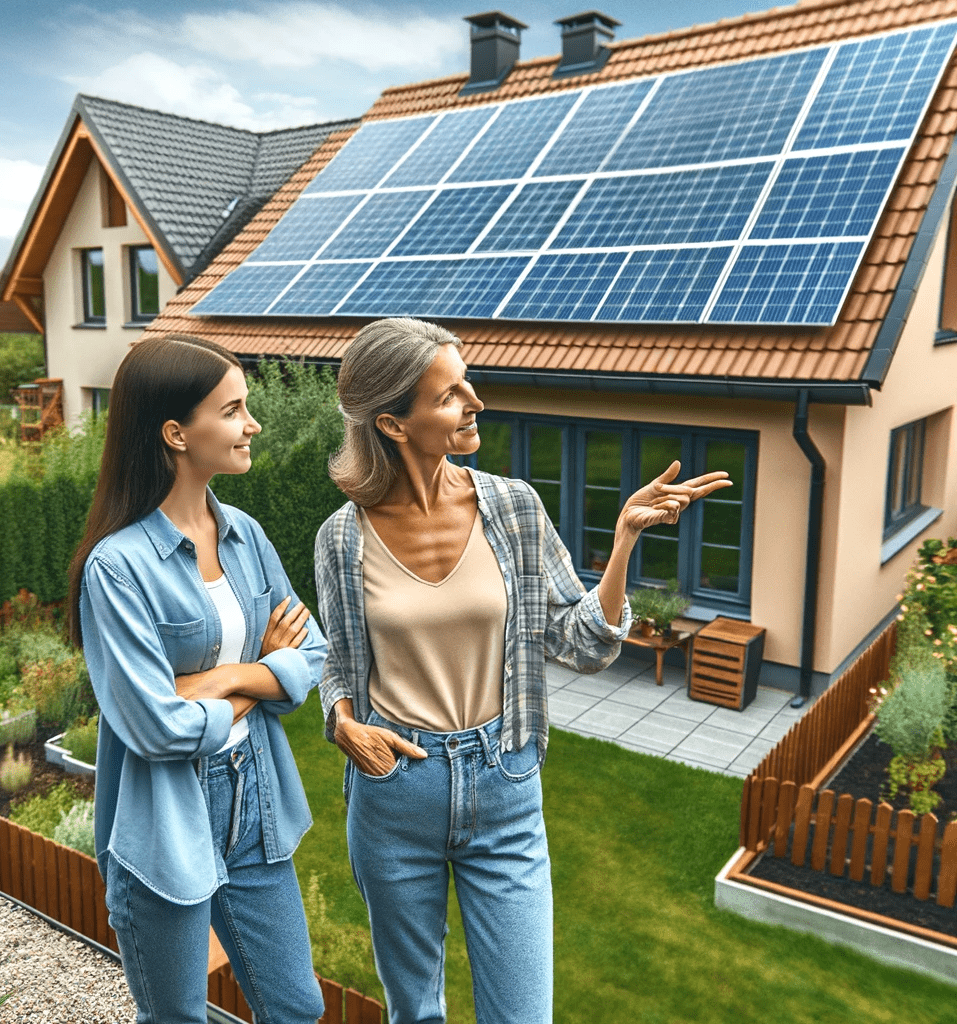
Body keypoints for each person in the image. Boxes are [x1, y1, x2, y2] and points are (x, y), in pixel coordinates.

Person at [314, 317, 731, 1024]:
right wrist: (341, 722)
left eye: (466, 382)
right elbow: (340, 663)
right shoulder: (341, 537)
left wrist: (624, 539)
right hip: (395, 791)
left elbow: (584, 644)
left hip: (502, 781)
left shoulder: (512, 508)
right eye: (449, 395)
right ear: (393, 423)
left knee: (521, 1014)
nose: (475, 402)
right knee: (414, 1011)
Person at [68, 334, 326, 1024]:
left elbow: (317, 655)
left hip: (254, 803)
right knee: (176, 1016)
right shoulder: (117, 568)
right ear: (177, 433)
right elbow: (157, 726)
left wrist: (222, 680)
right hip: (164, 819)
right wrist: (263, 682)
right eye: (234, 410)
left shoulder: (246, 533)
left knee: (297, 1007)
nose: (253, 425)